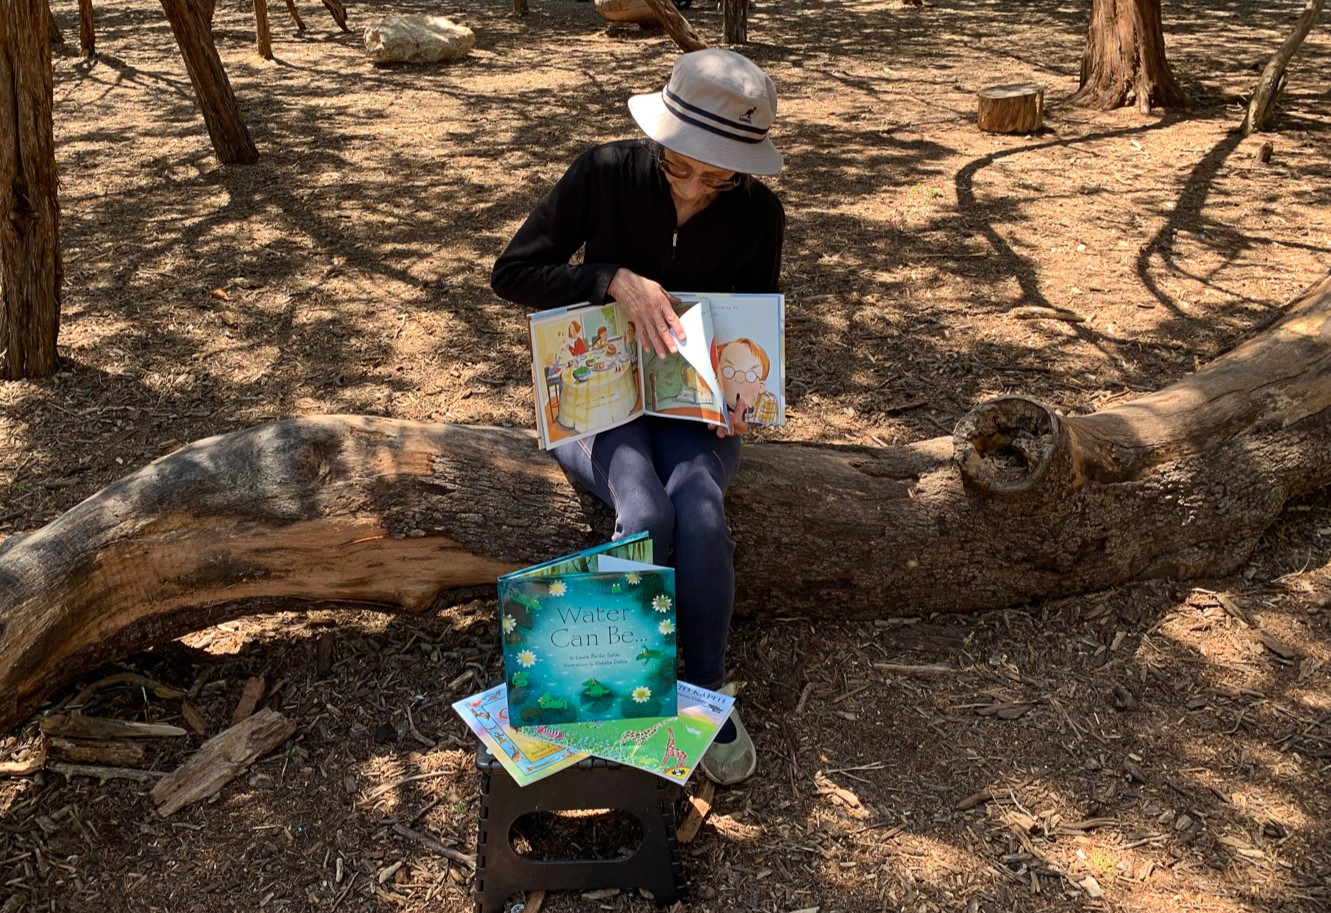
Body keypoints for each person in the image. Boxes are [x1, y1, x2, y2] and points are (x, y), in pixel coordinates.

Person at [491, 48, 785, 786]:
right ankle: (619, 693)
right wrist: (607, 277)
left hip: (694, 406)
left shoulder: (758, 212)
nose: (692, 188)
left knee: (701, 509)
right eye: (676, 166)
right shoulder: (604, 171)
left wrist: (740, 398)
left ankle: (707, 693)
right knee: (644, 508)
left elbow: (752, 318)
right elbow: (512, 272)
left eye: (716, 176)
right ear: (656, 141)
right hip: (596, 395)